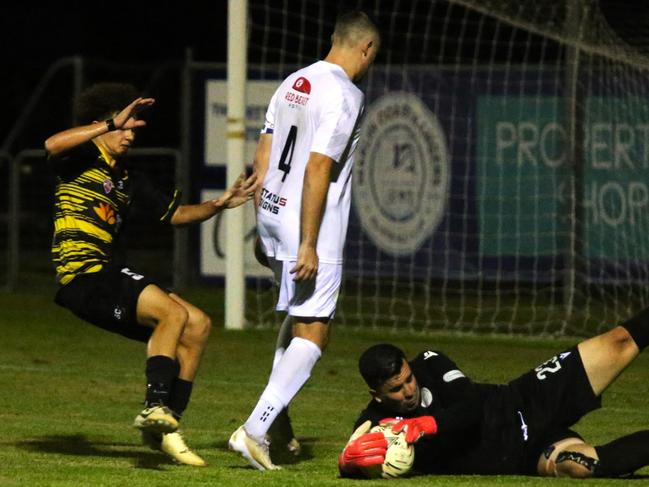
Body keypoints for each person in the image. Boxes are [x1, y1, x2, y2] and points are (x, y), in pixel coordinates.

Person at [44, 82, 257, 467]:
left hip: (106, 274)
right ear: (104, 123)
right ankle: (154, 406)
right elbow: (52, 144)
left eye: (133, 127)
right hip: (84, 274)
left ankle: (167, 426)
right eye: (125, 127)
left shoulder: (128, 176)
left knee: (198, 325)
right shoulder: (79, 157)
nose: (129, 134)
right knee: (173, 314)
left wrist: (220, 204)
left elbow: (175, 216)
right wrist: (108, 124)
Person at [227, 10, 380, 470]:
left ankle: (272, 423)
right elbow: (318, 167)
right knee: (314, 333)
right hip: (310, 226)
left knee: (298, 319)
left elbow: (264, 153)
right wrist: (309, 242)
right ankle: (254, 429)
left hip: (274, 212)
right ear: (366, 49)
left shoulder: (295, 80)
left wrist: (263, 223)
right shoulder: (346, 93)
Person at [339, 309, 649, 478]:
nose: (409, 390)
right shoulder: (377, 421)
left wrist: (426, 425)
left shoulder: (430, 363)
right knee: (580, 465)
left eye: (408, 379)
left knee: (617, 342)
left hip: (525, 401)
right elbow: (355, 453)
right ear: (376, 394)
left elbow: (470, 407)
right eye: (396, 388)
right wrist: (348, 463)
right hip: (524, 455)